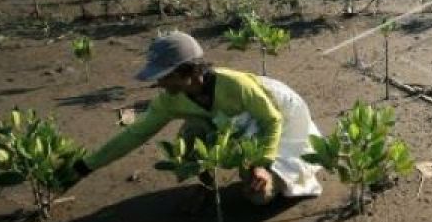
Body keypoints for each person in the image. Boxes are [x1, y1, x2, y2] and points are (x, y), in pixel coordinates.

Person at [70, 31, 323, 204]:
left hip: (283, 119)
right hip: (236, 124)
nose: (159, 83)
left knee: (258, 196)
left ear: (187, 71)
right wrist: (86, 166)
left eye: (164, 76)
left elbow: (272, 120)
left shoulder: (235, 85)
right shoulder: (170, 99)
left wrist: (262, 165)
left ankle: (272, 176)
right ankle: (208, 188)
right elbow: (135, 134)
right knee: (190, 134)